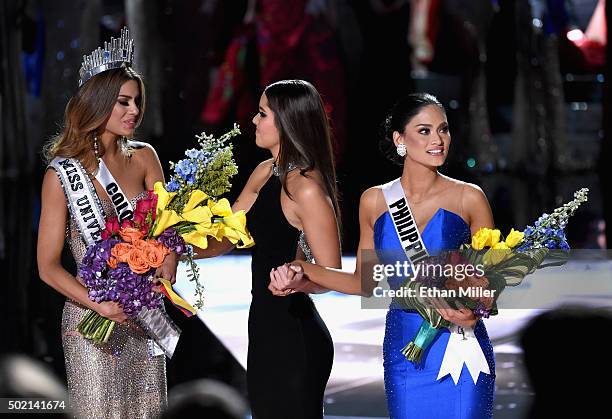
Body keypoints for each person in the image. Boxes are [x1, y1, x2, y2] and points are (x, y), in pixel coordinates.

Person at [270, 93, 496, 418]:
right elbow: (364, 283)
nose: (438, 140)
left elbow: (491, 281)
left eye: (443, 130)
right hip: (405, 349)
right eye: (424, 131)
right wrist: (302, 271)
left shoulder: (469, 198)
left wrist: (475, 305)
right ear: (399, 139)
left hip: (460, 346)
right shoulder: (375, 201)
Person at [37, 28, 178, 418]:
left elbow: (167, 230)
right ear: (97, 103)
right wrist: (101, 305)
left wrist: (168, 263)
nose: (134, 111)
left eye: (136, 101)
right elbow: (47, 267)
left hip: (144, 315)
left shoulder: (146, 157)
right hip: (89, 321)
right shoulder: (61, 175)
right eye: (123, 102)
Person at [198, 79, 341, 418]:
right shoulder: (265, 172)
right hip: (262, 327)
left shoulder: (305, 188)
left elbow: (333, 273)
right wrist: (170, 245)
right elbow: (226, 235)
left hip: (294, 337)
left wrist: (299, 278)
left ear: (287, 122)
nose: (253, 121)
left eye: (262, 114)